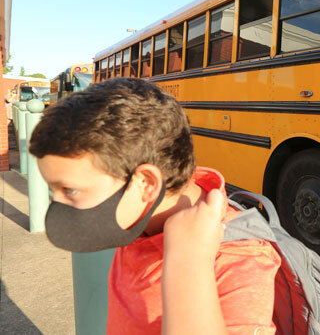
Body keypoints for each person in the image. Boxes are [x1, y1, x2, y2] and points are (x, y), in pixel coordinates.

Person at [29, 78, 282, 334]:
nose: (57, 205)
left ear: (146, 184)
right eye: (53, 190)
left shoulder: (240, 260)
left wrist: (188, 260)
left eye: (70, 190)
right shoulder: (136, 216)